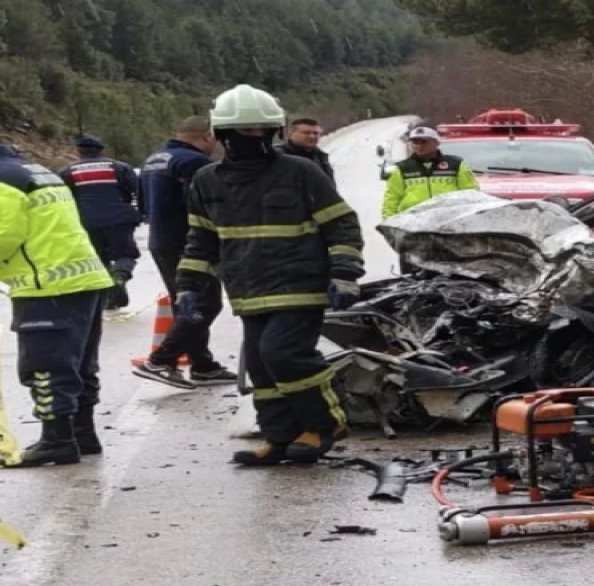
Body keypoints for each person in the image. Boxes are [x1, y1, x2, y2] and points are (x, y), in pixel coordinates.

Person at [176, 84, 364, 466]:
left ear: (274, 131)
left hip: (299, 284)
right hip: (247, 288)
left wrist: (345, 272)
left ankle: (325, 423)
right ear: (225, 133)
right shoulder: (207, 180)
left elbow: (341, 224)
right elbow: (201, 238)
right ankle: (280, 438)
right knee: (261, 366)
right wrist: (188, 285)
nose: (255, 137)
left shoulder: (300, 171)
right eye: (246, 131)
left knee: (284, 353)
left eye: (261, 130)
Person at [0, 144, 115, 467]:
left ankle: (58, 440)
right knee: (79, 364)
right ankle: (83, 434)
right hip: (83, 278)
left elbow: (4, 234)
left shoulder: (3, 182)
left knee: (45, 364)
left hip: (46, 285)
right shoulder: (33, 170)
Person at [134, 117, 237, 389]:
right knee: (205, 303)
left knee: (187, 304)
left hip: (161, 240)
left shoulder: (154, 159)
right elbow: (205, 206)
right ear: (205, 137)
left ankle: (203, 365)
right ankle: (161, 360)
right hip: (191, 243)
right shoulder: (195, 164)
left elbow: (142, 204)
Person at [57, 136, 142, 310]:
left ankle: (108, 297)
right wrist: (140, 213)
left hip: (86, 222)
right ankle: (119, 278)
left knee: (97, 258)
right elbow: (138, 191)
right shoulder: (120, 167)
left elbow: (63, 199)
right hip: (119, 220)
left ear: (78, 151)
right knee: (125, 255)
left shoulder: (67, 172)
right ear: (101, 150)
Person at [380, 126, 477, 218]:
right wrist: (389, 223)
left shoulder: (456, 164)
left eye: (424, 142)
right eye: (415, 142)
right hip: (412, 222)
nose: (419, 146)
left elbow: (472, 194)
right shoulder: (401, 168)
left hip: (450, 220)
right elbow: (392, 199)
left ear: (436, 143)